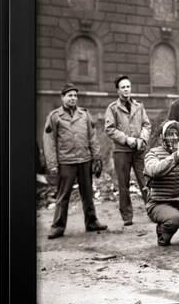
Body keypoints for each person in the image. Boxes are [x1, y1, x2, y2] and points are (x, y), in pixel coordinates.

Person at [43, 83, 107, 239]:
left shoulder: (84, 115)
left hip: (84, 159)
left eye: (75, 95)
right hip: (66, 161)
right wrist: (52, 164)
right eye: (69, 95)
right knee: (63, 195)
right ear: (62, 97)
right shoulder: (55, 117)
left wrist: (96, 157)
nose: (73, 98)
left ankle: (91, 222)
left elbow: (92, 137)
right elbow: (49, 142)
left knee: (88, 193)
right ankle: (58, 226)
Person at [105, 75, 151, 226]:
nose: (126, 90)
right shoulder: (112, 108)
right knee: (123, 185)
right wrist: (126, 139)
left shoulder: (139, 106)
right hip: (121, 152)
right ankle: (127, 217)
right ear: (118, 90)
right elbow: (110, 129)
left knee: (146, 181)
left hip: (138, 150)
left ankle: (153, 211)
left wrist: (142, 139)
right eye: (123, 87)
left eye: (128, 87)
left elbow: (146, 124)